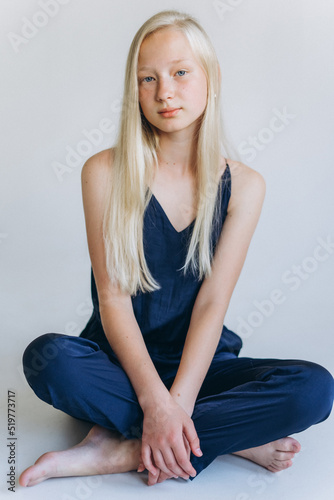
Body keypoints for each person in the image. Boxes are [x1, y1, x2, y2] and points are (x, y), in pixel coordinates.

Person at [19, 9, 333, 488]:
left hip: (202, 366)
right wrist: (153, 402)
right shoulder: (103, 172)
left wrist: (178, 405)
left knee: (314, 390)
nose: (164, 92)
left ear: (212, 78)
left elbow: (211, 304)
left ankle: (122, 449)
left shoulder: (245, 187)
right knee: (49, 359)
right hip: (119, 363)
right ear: (135, 89)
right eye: (148, 78)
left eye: (181, 73)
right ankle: (225, 438)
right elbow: (112, 298)